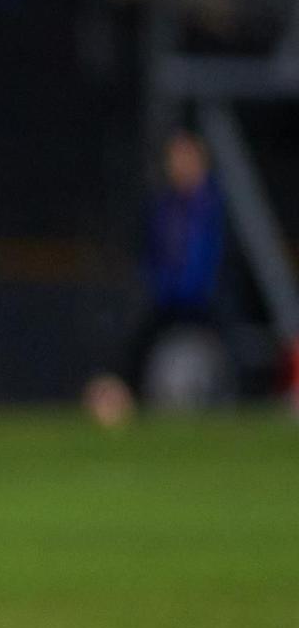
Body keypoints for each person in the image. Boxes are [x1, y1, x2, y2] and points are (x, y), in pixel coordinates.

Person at [86, 129, 228, 425]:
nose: (179, 164)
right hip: (166, 303)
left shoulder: (215, 207)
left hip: (205, 308)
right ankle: (115, 400)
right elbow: (150, 257)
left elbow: (214, 265)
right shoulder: (162, 207)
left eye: (186, 156)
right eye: (174, 158)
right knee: (131, 346)